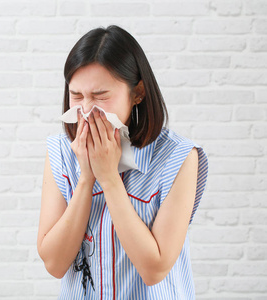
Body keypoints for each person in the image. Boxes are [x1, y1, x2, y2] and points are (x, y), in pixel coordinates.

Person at [37, 25, 208, 299]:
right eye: (77, 96)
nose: (86, 110)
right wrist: (86, 178)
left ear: (137, 92)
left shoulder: (179, 158)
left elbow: (154, 269)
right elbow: (54, 264)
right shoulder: (60, 153)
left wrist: (109, 178)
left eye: (101, 96)